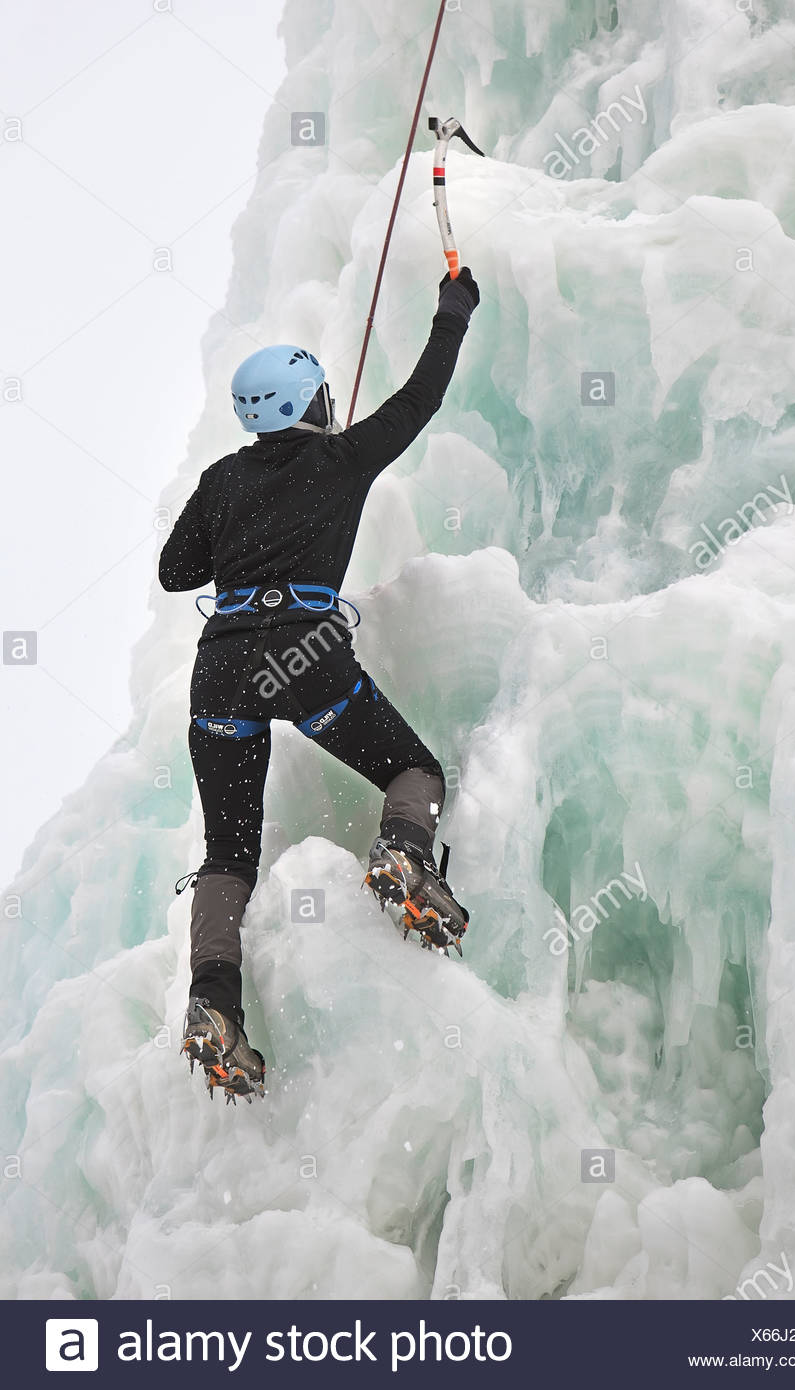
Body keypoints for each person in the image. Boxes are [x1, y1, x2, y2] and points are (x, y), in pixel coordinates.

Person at [159, 267, 479, 1104]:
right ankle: (404, 854)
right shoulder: (341, 457)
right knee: (416, 773)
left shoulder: (223, 479)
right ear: (314, 401)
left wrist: (240, 526)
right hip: (304, 657)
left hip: (221, 671)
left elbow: (173, 571)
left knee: (228, 851)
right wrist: (453, 307)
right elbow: (419, 399)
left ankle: (213, 1005)